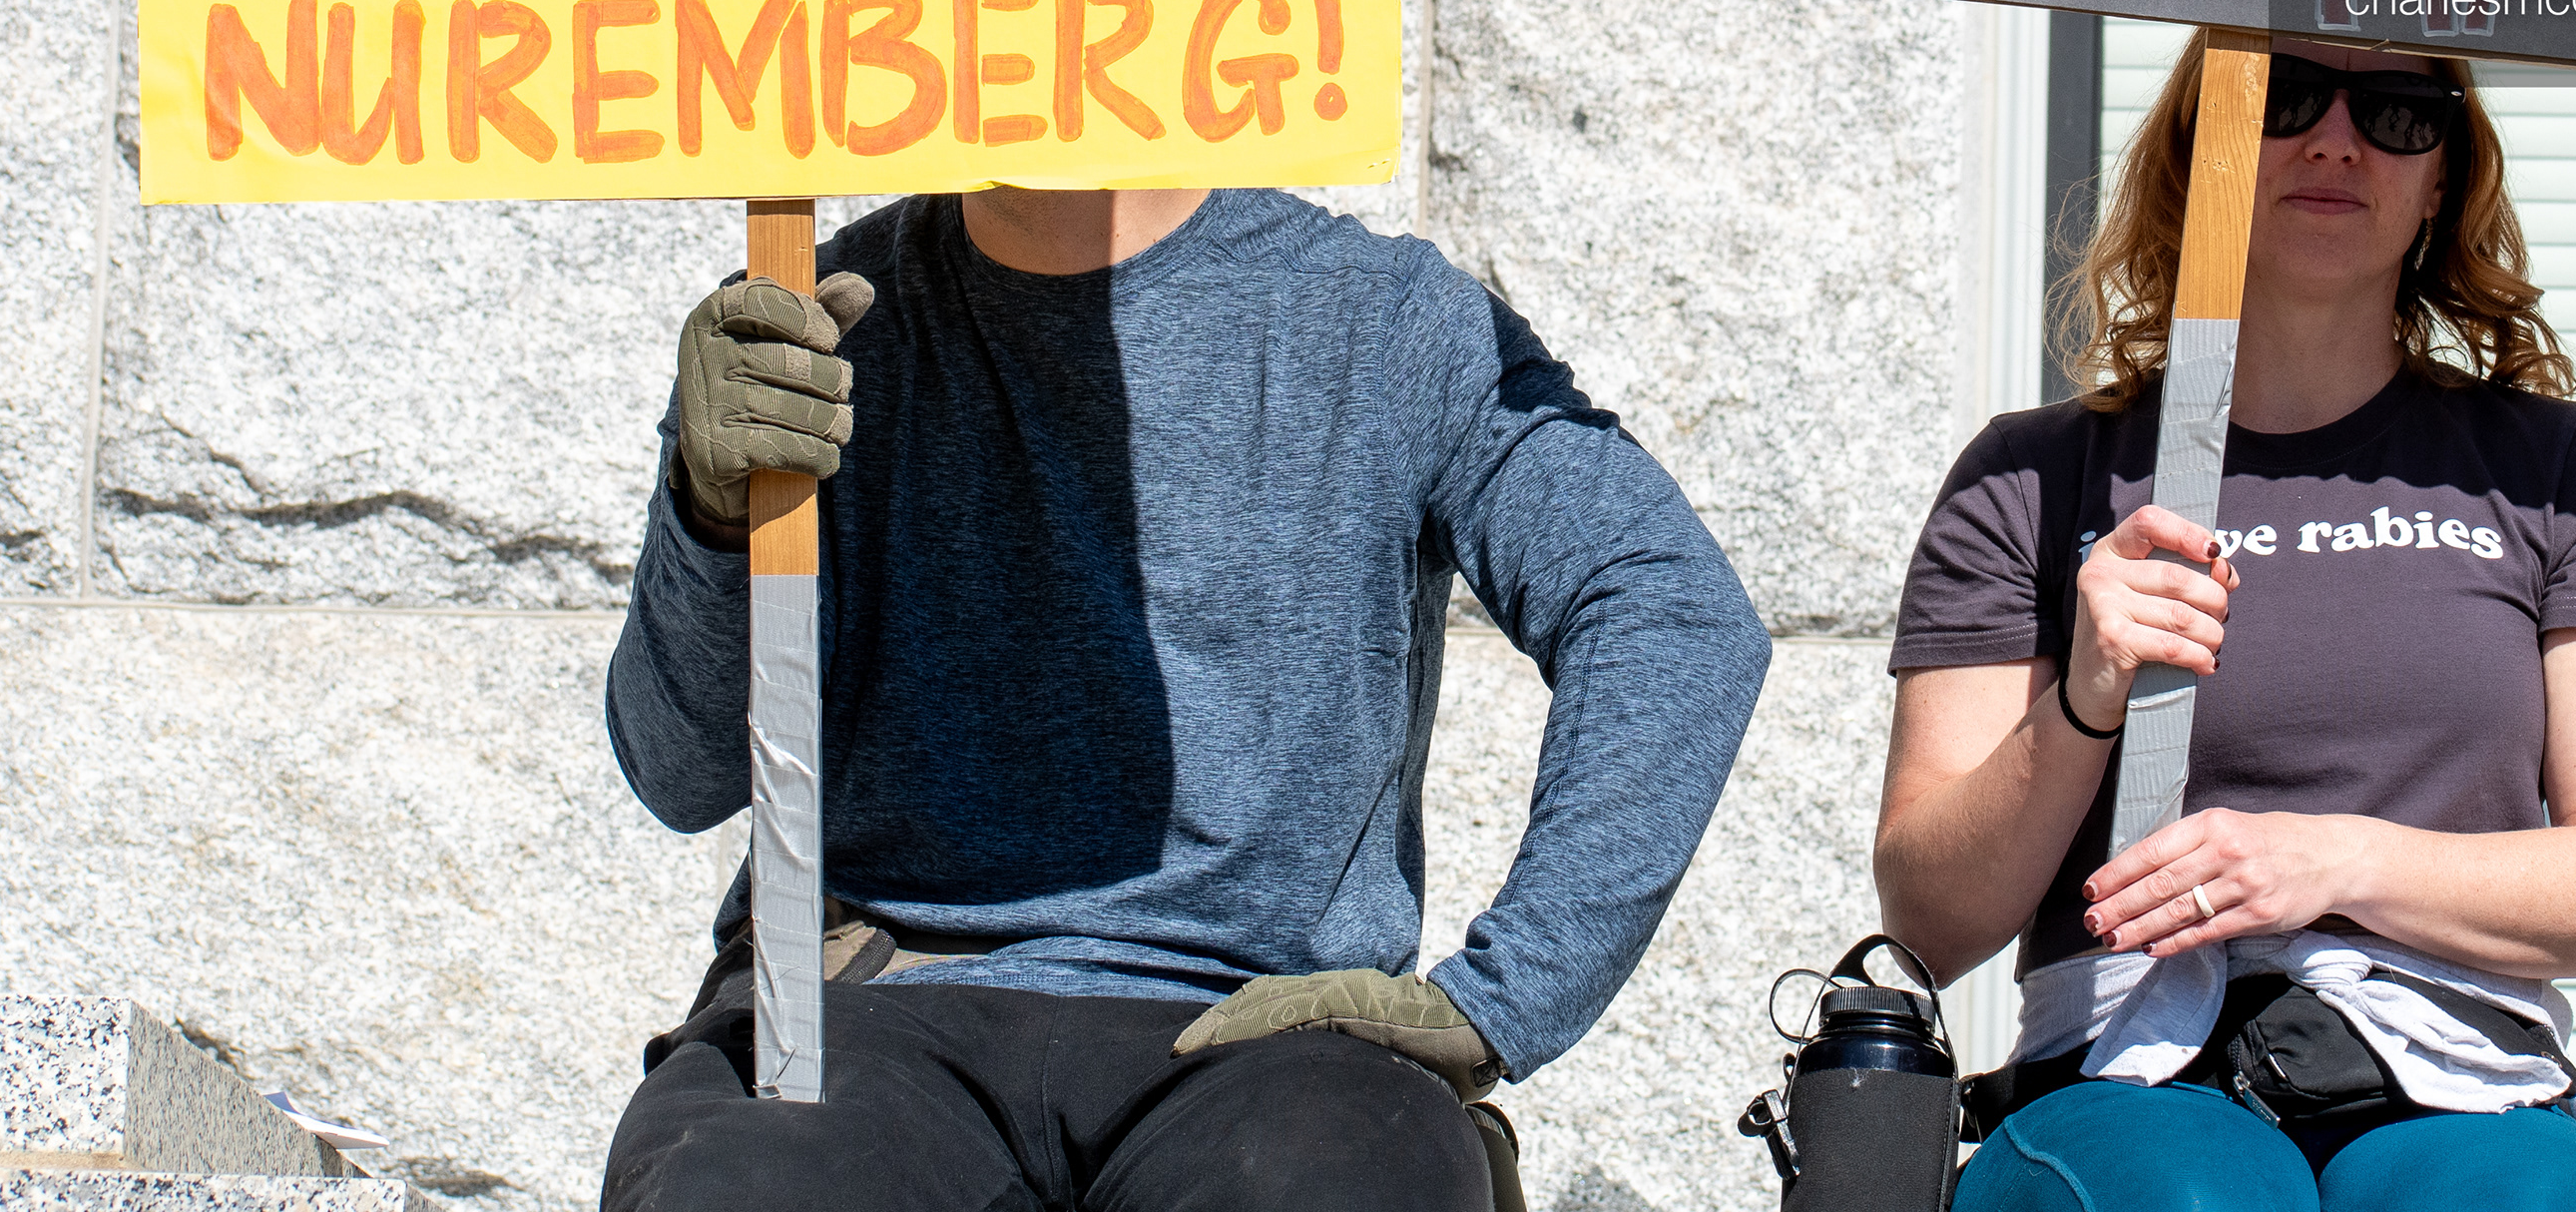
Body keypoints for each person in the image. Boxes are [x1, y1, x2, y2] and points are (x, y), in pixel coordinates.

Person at [597, 181, 1771, 1212]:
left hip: (1262, 1040)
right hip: (870, 1007)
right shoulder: (816, 323)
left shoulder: (1387, 319)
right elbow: (678, 768)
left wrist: (1502, 1001)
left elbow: (1668, 610)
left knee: (1356, 1185)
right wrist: (709, 511)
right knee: (723, 1183)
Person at [1878, 32, 2576, 1212]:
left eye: (2398, 114)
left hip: (2457, 1078)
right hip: (2127, 1075)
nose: (2334, 140)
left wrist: (2332, 859)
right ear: (2198, 148)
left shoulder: (2558, 472)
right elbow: (1929, 916)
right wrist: (2086, 697)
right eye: (2283, 96)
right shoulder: (2038, 475)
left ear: (2441, 180)